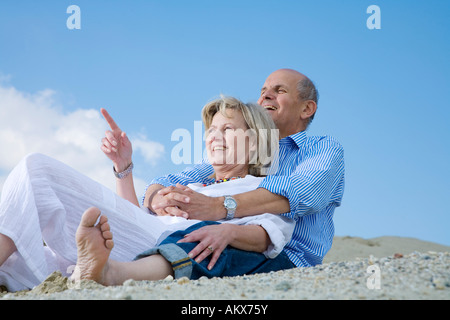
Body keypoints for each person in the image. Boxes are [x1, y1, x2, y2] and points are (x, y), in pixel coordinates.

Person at [0, 96, 292, 292]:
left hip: (167, 252)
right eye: (212, 129)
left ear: (254, 144)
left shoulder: (259, 191)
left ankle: (101, 270)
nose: (214, 135)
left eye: (227, 129)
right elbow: (133, 218)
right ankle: (85, 269)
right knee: (16, 258)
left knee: (36, 168)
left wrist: (227, 231)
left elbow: (270, 234)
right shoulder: (194, 187)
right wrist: (123, 167)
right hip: (134, 241)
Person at [143, 69, 345, 268]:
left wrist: (217, 206)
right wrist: (157, 199)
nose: (265, 95)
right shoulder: (236, 151)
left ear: (306, 109)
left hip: (286, 259)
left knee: (199, 240)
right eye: (263, 90)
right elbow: (170, 180)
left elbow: (301, 192)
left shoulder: (322, 148)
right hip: (232, 241)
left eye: (280, 90)